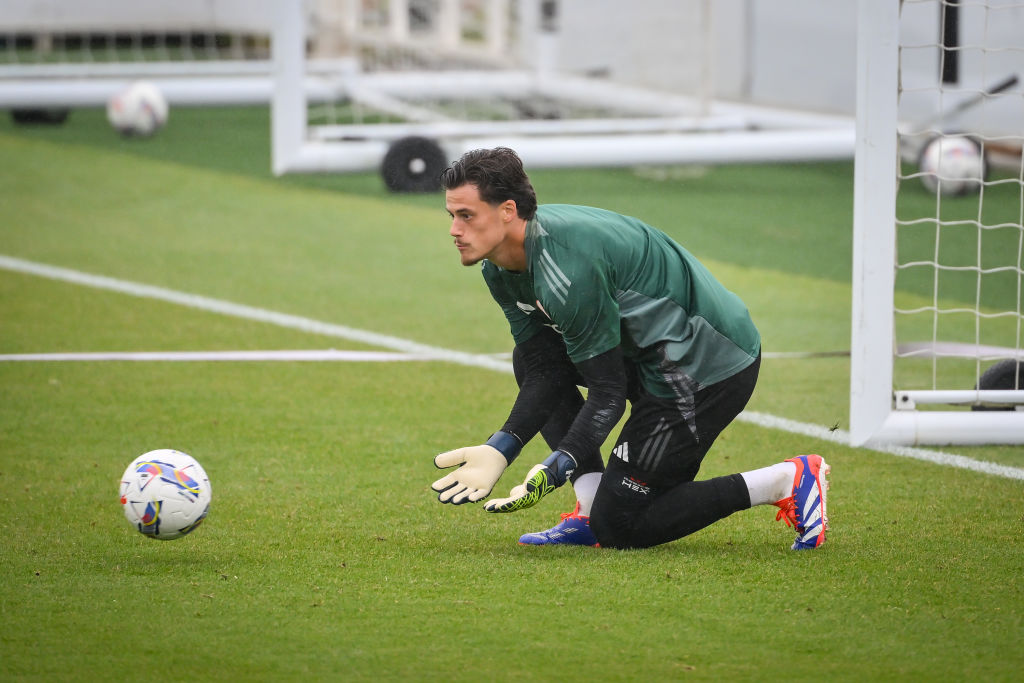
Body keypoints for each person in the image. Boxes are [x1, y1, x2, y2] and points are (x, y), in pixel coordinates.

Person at [429, 147, 830, 551]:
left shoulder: (569, 270)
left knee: (622, 525)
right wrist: (501, 448)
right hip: (648, 356)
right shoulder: (498, 267)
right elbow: (542, 367)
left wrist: (556, 466)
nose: (454, 230)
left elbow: (607, 395)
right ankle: (586, 514)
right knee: (533, 356)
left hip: (704, 368)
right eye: (452, 216)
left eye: (467, 216)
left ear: (507, 211)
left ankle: (786, 480)